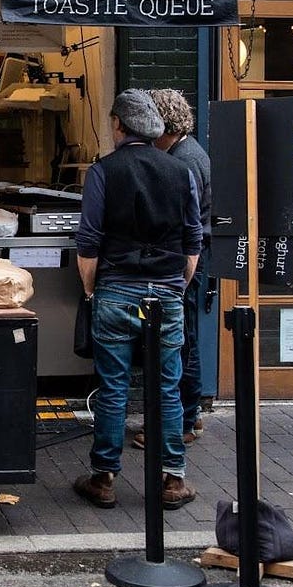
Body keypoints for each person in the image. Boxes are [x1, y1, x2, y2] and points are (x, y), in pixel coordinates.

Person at [73, 89, 203, 511]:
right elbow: (193, 241)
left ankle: (104, 478)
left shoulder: (103, 171)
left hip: (115, 288)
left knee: (113, 387)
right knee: (167, 387)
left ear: (118, 125)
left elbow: (89, 242)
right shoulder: (180, 170)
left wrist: (91, 289)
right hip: (166, 291)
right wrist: (177, 285)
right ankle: (173, 479)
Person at [129, 88, 212, 450]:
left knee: (181, 344)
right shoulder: (185, 152)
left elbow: (183, 221)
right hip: (186, 258)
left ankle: (182, 423)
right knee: (183, 340)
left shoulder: (185, 161)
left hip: (184, 262)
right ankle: (187, 417)